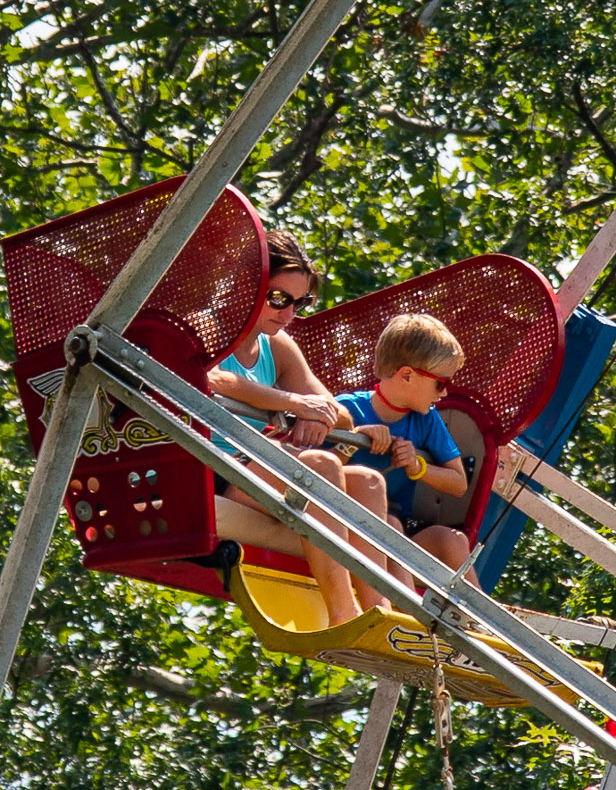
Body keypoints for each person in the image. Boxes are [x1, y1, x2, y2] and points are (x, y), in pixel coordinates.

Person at [210, 239, 401, 549]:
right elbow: (215, 378)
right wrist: (297, 404)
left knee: (369, 483)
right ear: (247, 285)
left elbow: (340, 414)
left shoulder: (278, 346)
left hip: (250, 467)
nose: (288, 315)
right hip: (211, 466)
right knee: (320, 466)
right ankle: (344, 601)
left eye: (299, 303)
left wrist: (317, 416)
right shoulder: (209, 327)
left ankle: (373, 600)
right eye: (278, 299)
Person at [327, 309, 492, 576]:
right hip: (341, 515)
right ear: (406, 375)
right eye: (441, 383)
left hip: (396, 520)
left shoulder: (426, 420)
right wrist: (355, 438)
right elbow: (312, 468)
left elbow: (458, 483)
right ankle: (397, 614)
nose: (446, 392)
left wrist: (418, 466)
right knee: (390, 525)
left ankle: (474, 618)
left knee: (453, 539)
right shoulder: (347, 409)